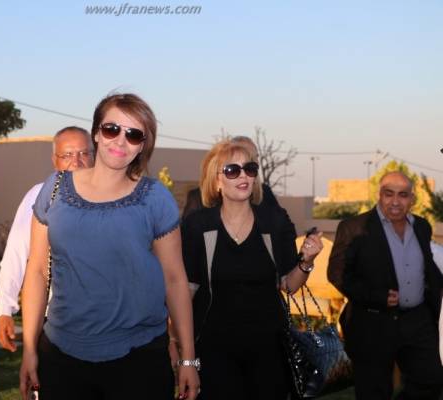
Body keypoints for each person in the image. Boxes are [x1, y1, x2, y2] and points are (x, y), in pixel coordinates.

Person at [19, 93, 199, 400]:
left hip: (139, 361)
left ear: (143, 145)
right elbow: (36, 271)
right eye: (112, 129)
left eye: (134, 134)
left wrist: (188, 360)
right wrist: (29, 349)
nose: (120, 141)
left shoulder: (155, 198)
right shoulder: (55, 188)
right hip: (62, 358)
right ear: (96, 133)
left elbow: (174, 279)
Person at [181, 139, 323, 399]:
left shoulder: (274, 221)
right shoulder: (198, 226)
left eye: (249, 168)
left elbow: (289, 285)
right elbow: (185, 294)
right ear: (217, 181)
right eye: (232, 170)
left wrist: (307, 261)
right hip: (214, 351)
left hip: (268, 351)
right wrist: (184, 356)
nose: (243, 176)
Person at [328, 171, 443, 400]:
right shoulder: (354, 227)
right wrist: (375, 295)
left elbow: (428, 266)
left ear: (412, 199)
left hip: (417, 322)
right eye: (389, 194)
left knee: (431, 380)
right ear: (379, 195)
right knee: (374, 391)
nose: (395, 201)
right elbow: (337, 274)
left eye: (403, 195)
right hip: (373, 323)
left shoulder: (421, 227)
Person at [0, 126, 93, 351]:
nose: (76, 162)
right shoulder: (39, 196)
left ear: (94, 157)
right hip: (54, 318)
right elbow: (16, 253)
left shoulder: (112, 199)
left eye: (84, 153)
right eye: (67, 155)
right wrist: (4, 309)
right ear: (55, 161)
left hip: (105, 320)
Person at [181, 135, 280, 220]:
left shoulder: (266, 194)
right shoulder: (197, 200)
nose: (243, 174)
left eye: (255, 157)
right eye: (233, 169)